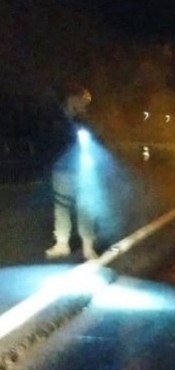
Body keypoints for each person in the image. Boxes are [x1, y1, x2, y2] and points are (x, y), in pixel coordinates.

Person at [44, 85, 99, 260]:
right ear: (72, 99)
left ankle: (88, 247)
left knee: (85, 208)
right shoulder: (56, 119)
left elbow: (95, 142)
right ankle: (62, 244)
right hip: (61, 171)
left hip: (81, 171)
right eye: (83, 101)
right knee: (61, 208)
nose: (85, 106)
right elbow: (49, 141)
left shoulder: (85, 121)